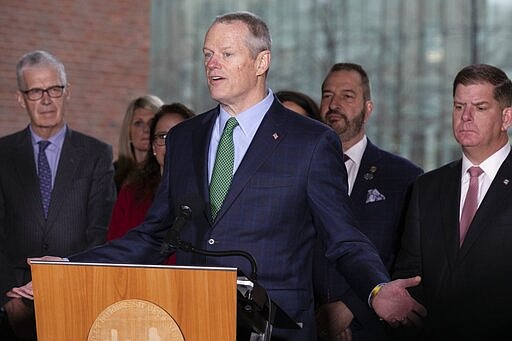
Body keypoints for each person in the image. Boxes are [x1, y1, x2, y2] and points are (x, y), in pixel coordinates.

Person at [10, 12, 426, 341]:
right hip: (190, 321)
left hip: (273, 328)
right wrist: (69, 266)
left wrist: (376, 289)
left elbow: (344, 239)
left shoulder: (310, 141)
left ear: (262, 61)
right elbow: (154, 235)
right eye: (207, 54)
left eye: (226, 54)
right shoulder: (186, 138)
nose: (212, 64)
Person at [0, 50, 116, 340]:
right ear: (20, 98)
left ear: (67, 92)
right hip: (13, 300)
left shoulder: (96, 155)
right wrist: (8, 299)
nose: (47, 100)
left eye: (54, 89)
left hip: (76, 296)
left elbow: (100, 232)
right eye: (36, 91)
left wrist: (73, 283)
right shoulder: (2, 154)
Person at [392, 63, 512, 340]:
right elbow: (411, 274)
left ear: (506, 118)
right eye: (459, 107)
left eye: (480, 108)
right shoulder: (427, 187)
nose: (466, 117)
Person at [313, 63, 423, 341]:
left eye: (347, 96)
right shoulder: (298, 168)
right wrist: (320, 317)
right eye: (327, 95)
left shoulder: (403, 177)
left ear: (368, 108)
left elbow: (403, 256)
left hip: (372, 328)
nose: (334, 104)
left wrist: (351, 308)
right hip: (305, 323)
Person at [107, 103, 195, 265]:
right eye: (162, 137)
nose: (170, 144)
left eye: (179, 136)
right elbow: (115, 248)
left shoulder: (208, 194)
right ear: (153, 147)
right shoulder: (131, 193)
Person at [114, 94, 164, 192]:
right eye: (138, 123)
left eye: (152, 123)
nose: (146, 129)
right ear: (128, 131)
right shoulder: (112, 174)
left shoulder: (168, 173)